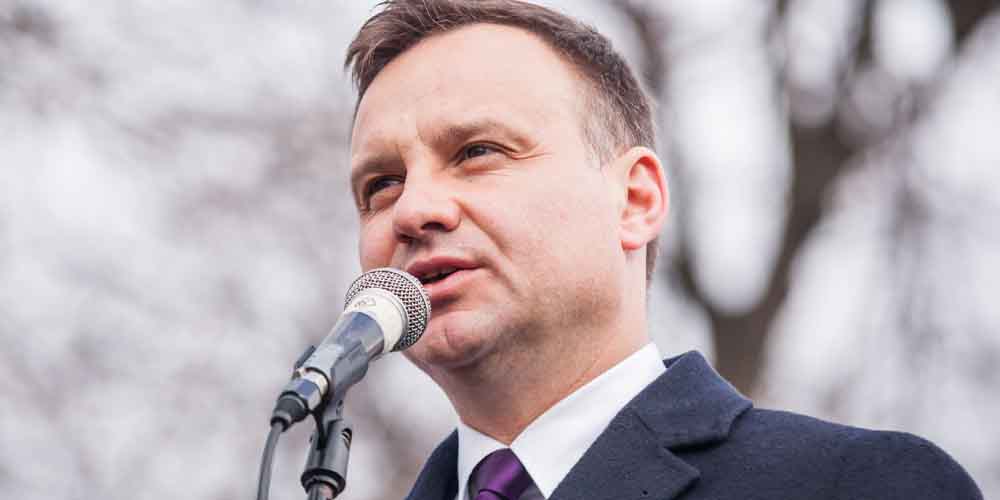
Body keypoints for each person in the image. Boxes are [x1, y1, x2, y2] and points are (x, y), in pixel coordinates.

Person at [343, 1, 983, 499]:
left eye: (477, 152)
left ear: (635, 200)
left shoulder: (859, 485)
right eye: (382, 185)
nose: (414, 209)